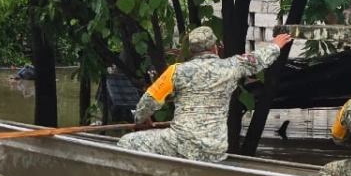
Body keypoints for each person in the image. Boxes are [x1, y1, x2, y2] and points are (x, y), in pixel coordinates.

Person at [118, 26, 292, 162]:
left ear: (191, 52)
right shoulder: (232, 67)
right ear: (215, 48)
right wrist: (276, 45)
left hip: (181, 144)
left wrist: (139, 119)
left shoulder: (175, 71)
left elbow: (148, 101)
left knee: (126, 142)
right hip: (215, 150)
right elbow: (258, 59)